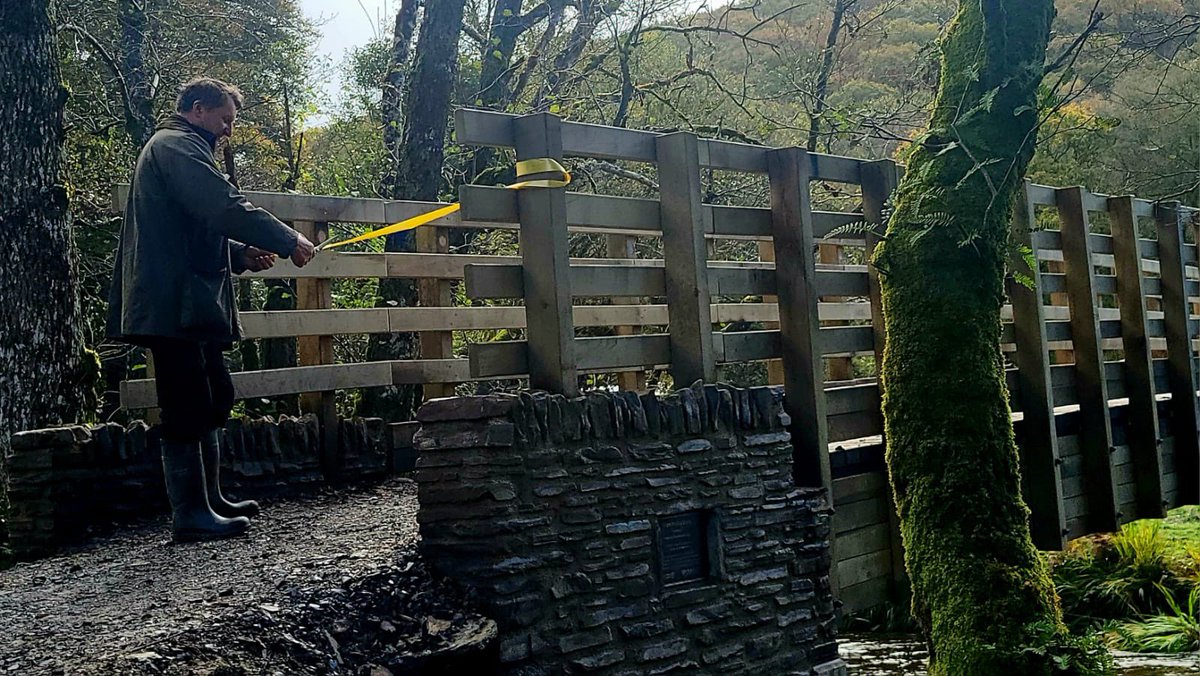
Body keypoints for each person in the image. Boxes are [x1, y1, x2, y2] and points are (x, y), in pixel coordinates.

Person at [106, 77, 317, 542]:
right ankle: (190, 515)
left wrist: (241, 255)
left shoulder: (184, 146)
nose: (227, 130)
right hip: (170, 301)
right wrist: (286, 239)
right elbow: (220, 206)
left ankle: (212, 499)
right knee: (186, 402)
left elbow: (196, 226)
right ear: (197, 109)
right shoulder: (174, 146)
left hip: (189, 300)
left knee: (214, 393)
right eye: (224, 119)